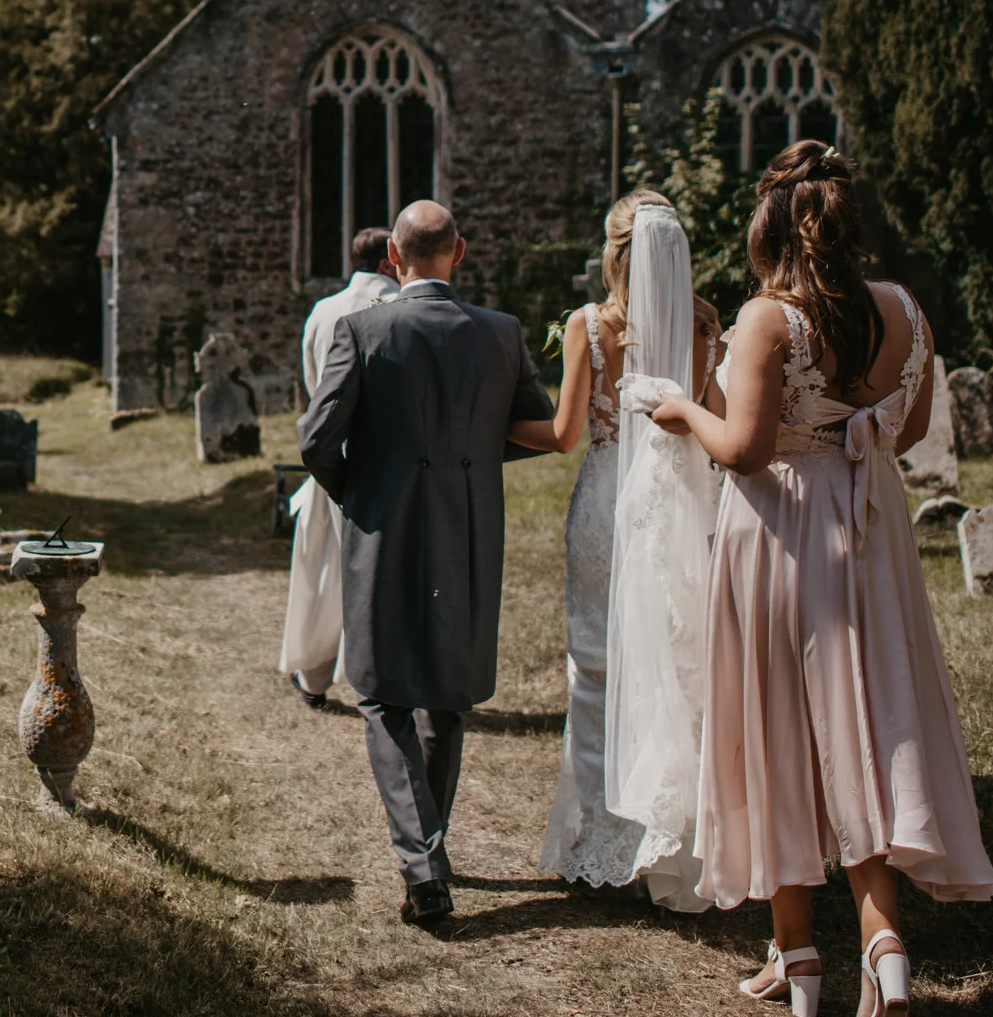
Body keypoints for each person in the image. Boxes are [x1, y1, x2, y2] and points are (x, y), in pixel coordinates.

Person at [645, 141, 993, 1017]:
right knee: (866, 732)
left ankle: (800, 952)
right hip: (871, 536)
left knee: (777, 733)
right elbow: (908, 429)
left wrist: (684, 409)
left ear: (772, 227)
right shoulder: (905, 311)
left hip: (780, 539)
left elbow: (745, 452)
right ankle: (880, 951)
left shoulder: (768, 319)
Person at [297, 200, 553, 933]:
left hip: (384, 527)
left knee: (380, 693)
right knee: (446, 695)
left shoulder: (362, 329)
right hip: (468, 528)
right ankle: (428, 853)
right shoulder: (502, 335)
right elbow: (529, 428)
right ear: (460, 252)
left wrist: (365, 491)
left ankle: (423, 865)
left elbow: (317, 441)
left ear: (394, 261)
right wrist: (465, 463)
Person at [514, 193, 722, 910]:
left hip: (608, 502)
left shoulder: (590, 327)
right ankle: (670, 847)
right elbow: (712, 424)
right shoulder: (704, 326)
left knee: (598, 670)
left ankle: (599, 845)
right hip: (678, 502)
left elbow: (565, 433)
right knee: (675, 666)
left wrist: (492, 423)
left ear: (615, 253)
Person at [282, 226, 398, 708]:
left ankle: (314, 676)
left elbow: (313, 380)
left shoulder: (323, 310)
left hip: (330, 453)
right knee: (380, 570)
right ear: (392, 259)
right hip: (385, 455)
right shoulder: (400, 307)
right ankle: (378, 673)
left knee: (327, 566)